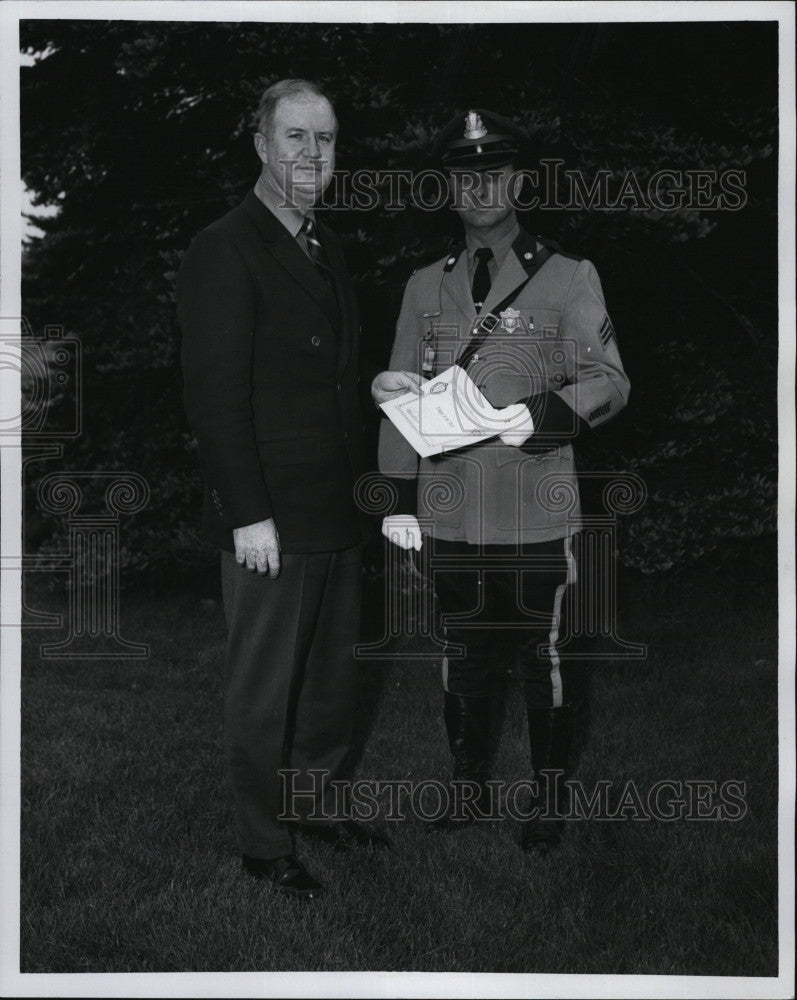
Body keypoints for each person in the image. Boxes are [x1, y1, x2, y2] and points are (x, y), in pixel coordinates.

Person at [373, 109, 630, 852]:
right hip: (448, 510)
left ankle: (546, 798)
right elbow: (399, 397)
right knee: (461, 654)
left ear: (517, 181)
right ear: (449, 189)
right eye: (464, 174)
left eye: (493, 172)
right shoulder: (425, 285)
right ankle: (466, 787)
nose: (479, 186)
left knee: (540, 657)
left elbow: (609, 379)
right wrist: (396, 498)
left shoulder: (566, 276)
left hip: (532, 507)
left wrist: (548, 414)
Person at [178, 79, 387, 900]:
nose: (313, 155)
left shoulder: (320, 242)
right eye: (296, 137)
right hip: (269, 512)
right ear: (261, 146)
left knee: (331, 681)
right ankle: (264, 843)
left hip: (333, 502)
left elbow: (322, 380)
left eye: (326, 140)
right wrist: (248, 515)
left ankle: (318, 804)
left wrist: (381, 386)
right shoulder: (224, 248)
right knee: (266, 687)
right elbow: (215, 398)